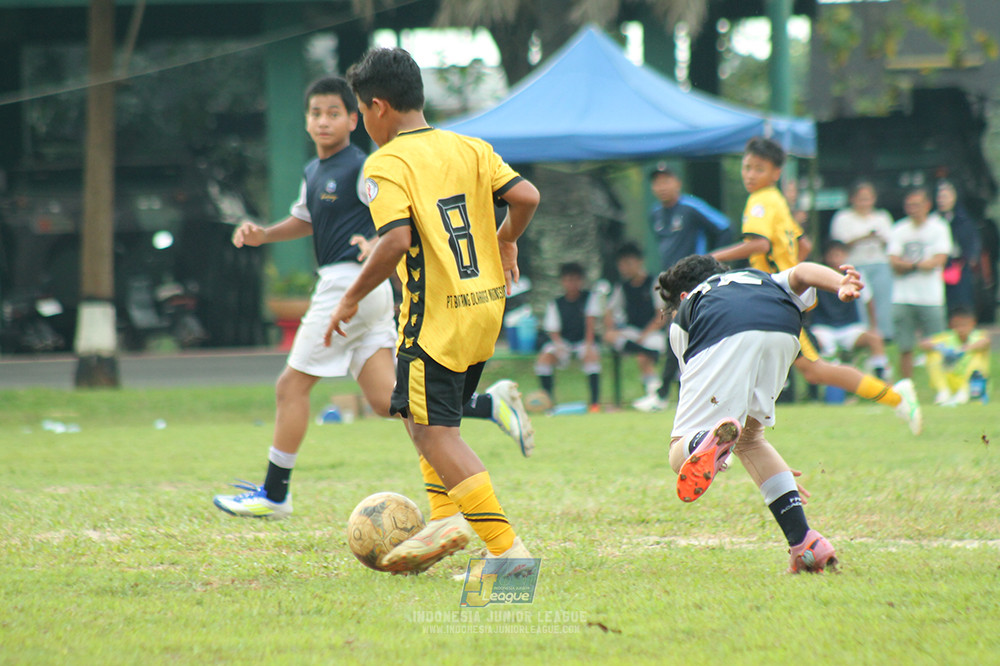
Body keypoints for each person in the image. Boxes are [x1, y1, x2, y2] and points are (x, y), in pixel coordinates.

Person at [212, 76, 535, 522]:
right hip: (370, 289)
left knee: (291, 386)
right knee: (393, 401)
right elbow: (306, 219)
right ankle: (487, 409)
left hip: (352, 283)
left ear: (358, 116)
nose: (323, 121)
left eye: (336, 112)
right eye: (315, 113)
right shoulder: (315, 172)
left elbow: (394, 226)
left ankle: (275, 491)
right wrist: (263, 234)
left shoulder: (368, 166)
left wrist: (367, 253)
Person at [324, 47, 540, 573]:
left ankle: (507, 554)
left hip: (435, 317)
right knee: (418, 416)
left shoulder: (386, 164)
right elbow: (527, 197)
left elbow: (396, 241)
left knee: (433, 433)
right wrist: (506, 240)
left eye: (360, 113)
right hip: (484, 309)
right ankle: (443, 519)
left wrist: (351, 296)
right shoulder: (469, 146)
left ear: (377, 107)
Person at [660, 255, 865, 572]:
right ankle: (805, 544)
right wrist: (841, 284)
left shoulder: (691, 307)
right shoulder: (758, 277)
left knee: (680, 448)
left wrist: (709, 441)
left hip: (721, 327)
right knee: (751, 439)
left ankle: (705, 441)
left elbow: (706, 386)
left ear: (683, 298)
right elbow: (804, 271)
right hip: (783, 330)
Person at [711, 137, 922, 435]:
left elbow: (758, 242)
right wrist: (793, 277)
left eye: (758, 169)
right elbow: (804, 244)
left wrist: (710, 258)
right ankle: (726, 436)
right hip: (778, 298)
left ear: (775, 173)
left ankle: (898, 397)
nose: (749, 174)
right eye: (746, 167)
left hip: (772, 299)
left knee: (794, 365)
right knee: (809, 369)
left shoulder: (759, 201)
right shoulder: (778, 201)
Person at [635, 164, 730, 413]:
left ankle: (667, 392)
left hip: (695, 281)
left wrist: (710, 261)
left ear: (677, 182)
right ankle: (672, 392)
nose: (662, 186)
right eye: (657, 182)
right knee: (675, 336)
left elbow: (724, 227)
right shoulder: (655, 213)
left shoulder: (691, 207)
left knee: (689, 334)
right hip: (670, 282)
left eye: (667, 180)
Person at [888, 187, 954, 380]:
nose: (912, 208)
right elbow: (893, 261)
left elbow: (939, 260)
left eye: (917, 204)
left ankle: (944, 386)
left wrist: (909, 265)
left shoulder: (939, 228)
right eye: (909, 205)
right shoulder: (899, 229)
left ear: (927, 205)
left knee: (938, 344)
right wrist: (919, 265)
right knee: (905, 346)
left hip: (931, 297)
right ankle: (907, 385)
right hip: (903, 296)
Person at [809, 241, 889, 379]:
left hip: (850, 327)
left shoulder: (855, 276)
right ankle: (825, 387)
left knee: (875, 339)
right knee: (819, 346)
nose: (836, 259)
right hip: (823, 327)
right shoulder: (817, 275)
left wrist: (873, 326)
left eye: (839, 255)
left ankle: (880, 376)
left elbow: (868, 300)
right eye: (832, 255)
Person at [828, 180, 895, 340]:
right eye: (861, 198)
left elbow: (892, 243)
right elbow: (839, 245)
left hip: (879, 262)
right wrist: (865, 237)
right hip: (855, 264)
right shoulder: (843, 217)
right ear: (853, 199)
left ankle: (884, 335)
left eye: (868, 198)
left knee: (883, 300)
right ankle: (863, 334)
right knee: (860, 301)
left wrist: (878, 238)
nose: (865, 202)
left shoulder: (882, 216)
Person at [603, 242, 667, 404]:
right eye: (622, 264)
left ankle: (655, 395)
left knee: (643, 357)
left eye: (628, 263)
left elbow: (661, 316)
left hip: (653, 333)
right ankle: (643, 351)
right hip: (632, 332)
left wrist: (644, 334)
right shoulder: (621, 287)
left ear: (639, 262)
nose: (624, 268)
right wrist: (612, 327)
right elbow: (609, 311)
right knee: (609, 335)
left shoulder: (655, 282)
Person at [534, 261, 603, 411]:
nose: (571, 283)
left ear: (581, 280)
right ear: (562, 281)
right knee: (544, 358)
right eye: (568, 279)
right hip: (563, 343)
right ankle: (548, 403)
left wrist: (589, 346)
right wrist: (559, 346)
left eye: (575, 279)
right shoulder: (556, 303)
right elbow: (553, 331)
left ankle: (594, 404)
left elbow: (590, 324)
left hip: (584, 342)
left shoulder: (590, 298)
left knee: (592, 356)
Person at [918, 306, 991, 405]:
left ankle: (965, 392)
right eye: (957, 325)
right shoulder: (948, 337)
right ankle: (943, 392)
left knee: (977, 356)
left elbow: (986, 342)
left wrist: (965, 349)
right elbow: (923, 344)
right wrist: (940, 348)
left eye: (964, 325)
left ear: (972, 323)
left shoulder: (978, 336)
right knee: (933, 356)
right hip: (953, 378)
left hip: (974, 381)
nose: (960, 329)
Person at [935, 180, 982, 313]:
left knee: (960, 305)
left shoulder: (964, 220)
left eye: (945, 196)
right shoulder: (933, 220)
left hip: (959, 267)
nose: (942, 200)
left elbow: (971, 245)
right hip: (937, 266)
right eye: (939, 197)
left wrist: (967, 260)